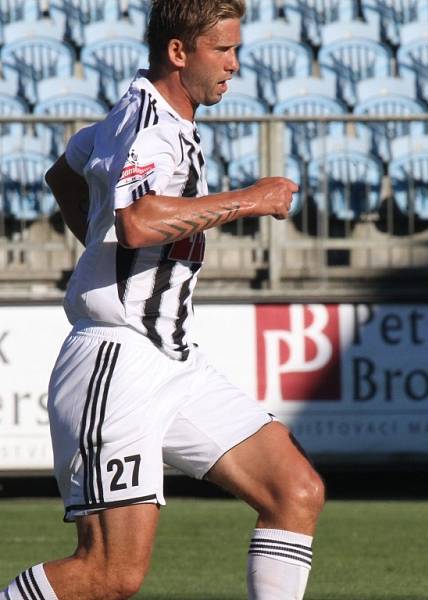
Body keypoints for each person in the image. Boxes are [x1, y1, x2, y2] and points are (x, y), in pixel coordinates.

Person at [2, 2, 324, 600]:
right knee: (109, 574)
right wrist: (254, 199)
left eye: (236, 49)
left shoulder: (143, 114)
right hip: (117, 361)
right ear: (179, 52)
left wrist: (106, 257)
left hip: (172, 360)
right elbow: (140, 222)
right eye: (223, 50)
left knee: (294, 490)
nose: (234, 64)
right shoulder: (152, 123)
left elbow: (65, 175)